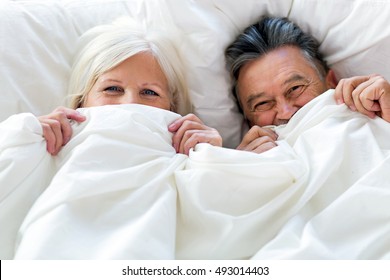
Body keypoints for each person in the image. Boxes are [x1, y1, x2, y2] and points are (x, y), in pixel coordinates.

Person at [38, 18, 222, 156]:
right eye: (112, 88)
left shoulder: (195, 156)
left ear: (172, 108)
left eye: (150, 92)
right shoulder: (43, 144)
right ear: (81, 102)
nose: (130, 103)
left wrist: (217, 160)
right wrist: (26, 136)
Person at [225, 16, 390, 153]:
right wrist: (239, 173)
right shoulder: (243, 171)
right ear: (249, 122)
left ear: (331, 82)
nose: (286, 113)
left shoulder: (378, 118)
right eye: (262, 104)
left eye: (295, 88)